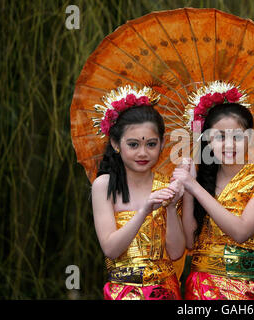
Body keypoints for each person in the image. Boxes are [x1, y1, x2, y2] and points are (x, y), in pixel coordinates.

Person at [172, 84, 254, 300]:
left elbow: (241, 231)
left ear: (251, 138)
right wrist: (188, 190)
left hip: (242, 290)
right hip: (199, 289)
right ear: (207, 139)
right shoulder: (201, 180)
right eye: (220, 137)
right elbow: (189, 242)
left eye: (237, 136)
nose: (229, 144)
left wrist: (194, 187)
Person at [90, 86, 185, 300]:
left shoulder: (167, 186)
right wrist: (144, 210)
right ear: (116, 144)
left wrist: (170, 207)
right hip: (123, 293)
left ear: (162, 144)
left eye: (151, 144)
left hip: (166, 293)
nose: (143, 153)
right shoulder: (104, 185)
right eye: (133, 144)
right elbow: (111, 249)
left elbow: (177, 252)